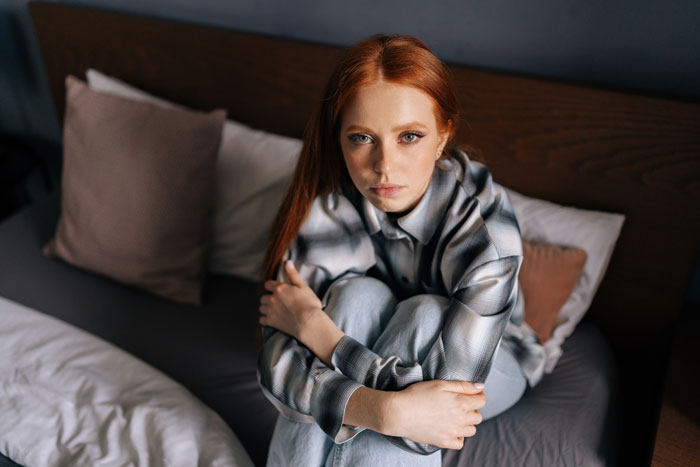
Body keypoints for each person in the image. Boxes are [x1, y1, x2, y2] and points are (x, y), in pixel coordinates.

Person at [256, 34, 545, 467]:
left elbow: (433, 426)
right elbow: (277, 369)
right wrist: (386, 409)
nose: (384, 166)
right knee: (356, 296)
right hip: (383, 351)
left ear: (443, 136)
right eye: (361, 138)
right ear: (339, 139)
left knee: (426, 312)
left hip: (498, 361)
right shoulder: (332, 207)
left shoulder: (483, 228)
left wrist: (323, 335)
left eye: (409, 136)